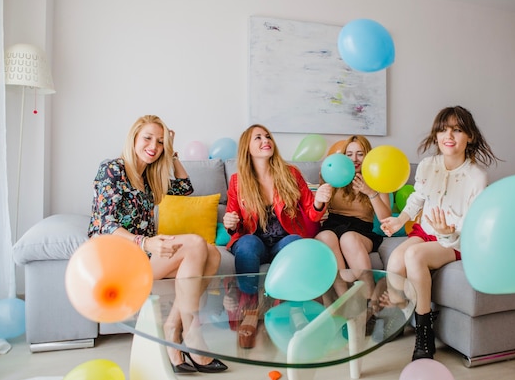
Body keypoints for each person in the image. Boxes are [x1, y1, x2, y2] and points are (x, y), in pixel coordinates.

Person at [88, 115, 227, 374]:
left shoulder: (151, 176)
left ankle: (172, 331)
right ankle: (191, 334)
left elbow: (185, 188)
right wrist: (146, 242)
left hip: (142, 256)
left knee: (212, 254)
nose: (154, 146)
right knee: (197, 244)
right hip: (117, 260)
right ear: (134, 138)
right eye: (148, 138)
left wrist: (172, 154)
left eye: (161, 142)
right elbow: (105, 225)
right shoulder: (112, 169)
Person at [380, 106, 500, 361]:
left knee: (414, 257)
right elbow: (417, 199)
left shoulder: (477, 176)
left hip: (457, 240)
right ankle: (404, 312)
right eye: (444, 129)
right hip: (426, 232)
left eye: (457, 130)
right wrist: (398, 219)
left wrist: (447, 234)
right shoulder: (428, 165)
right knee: (395, 262)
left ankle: (425, 332)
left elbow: (473, 225)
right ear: (436, 135)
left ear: (470, 137)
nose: (449, 135)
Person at [222, 124, 332, 347]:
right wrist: (230, 223)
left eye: (268, 136)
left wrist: (320, 199)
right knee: (248, 244)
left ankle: (295, 310)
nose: (266, 140)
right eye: (258, 138)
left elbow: (311, 212)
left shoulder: (290, 173)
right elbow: (232, 219)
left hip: (283, 241)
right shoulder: (237, 181)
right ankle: (251, 311)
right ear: (247, 148)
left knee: (296, 243)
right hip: (254, 243)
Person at [315, 135, 392, 301]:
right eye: (349, 154)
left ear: (368, 156)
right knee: (324, 237)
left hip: (361, 230)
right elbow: (317, 211)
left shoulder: (377, 178)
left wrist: (371, 193)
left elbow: (386, 218)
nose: (354, 159)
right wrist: (323, 186)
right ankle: (344, 299)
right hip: (334, 224)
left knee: (348, 238)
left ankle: (370, 297)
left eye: (360, 154)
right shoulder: (335, 175)